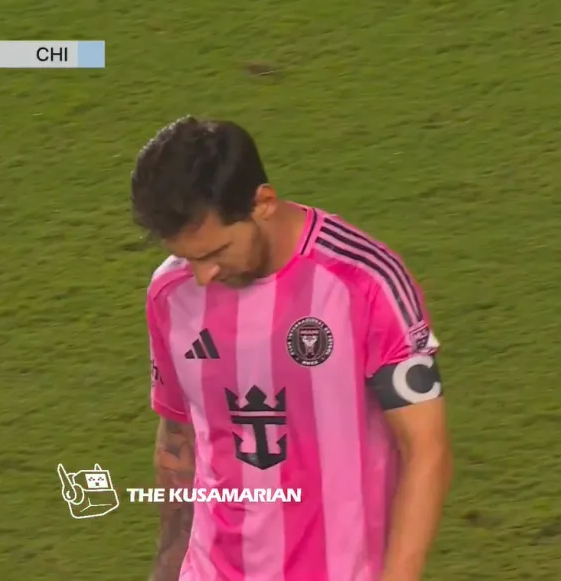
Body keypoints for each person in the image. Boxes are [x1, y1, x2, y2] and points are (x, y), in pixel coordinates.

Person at [131, 116, 452, 581]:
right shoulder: (170, 292)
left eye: (216, 252)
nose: (202, 276)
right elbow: (178, 436)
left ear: (262, 203)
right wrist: (166, 568)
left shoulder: (365, 281)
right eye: (187, 257)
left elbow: (425, 449)